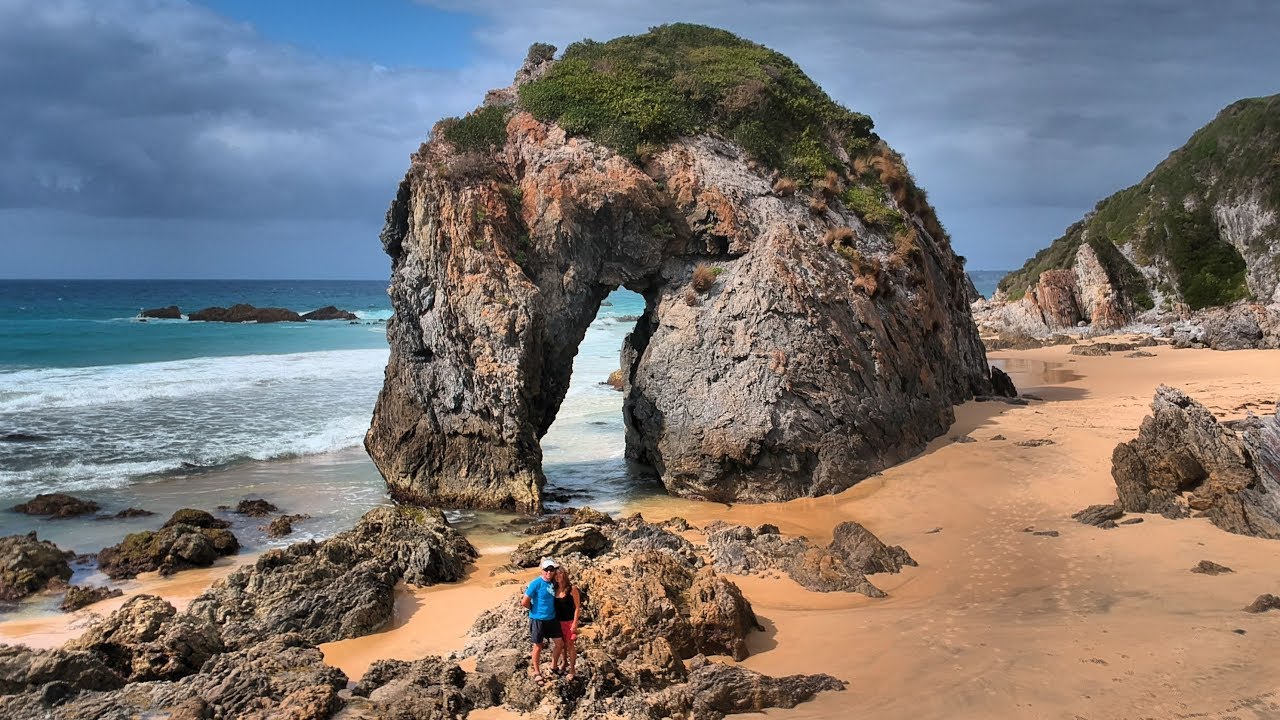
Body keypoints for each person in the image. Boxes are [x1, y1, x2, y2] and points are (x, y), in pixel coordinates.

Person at [520, 556, 563, 682]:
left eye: (551, 569)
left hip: (552, 619)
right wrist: (534, 610)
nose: (548, 572)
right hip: (538, 619)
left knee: (559, 644)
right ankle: (537, 671)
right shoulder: (536, 583)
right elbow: (524, 602)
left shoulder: (555, 583)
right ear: (542, 570)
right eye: (546, 570)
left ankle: (554, 666)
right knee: (538, 646)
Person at [551, 567, 581, 680]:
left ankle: (572, 669)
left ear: (564, 574)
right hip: (558, 622)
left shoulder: (572, 589)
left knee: (570, 645)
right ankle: (564, 663)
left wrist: (575, 623)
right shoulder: (555, 589)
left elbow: (577, 607)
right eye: (556, 575)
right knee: (561, 645)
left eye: (560, 573)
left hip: (569, 622)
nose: (558, 576)